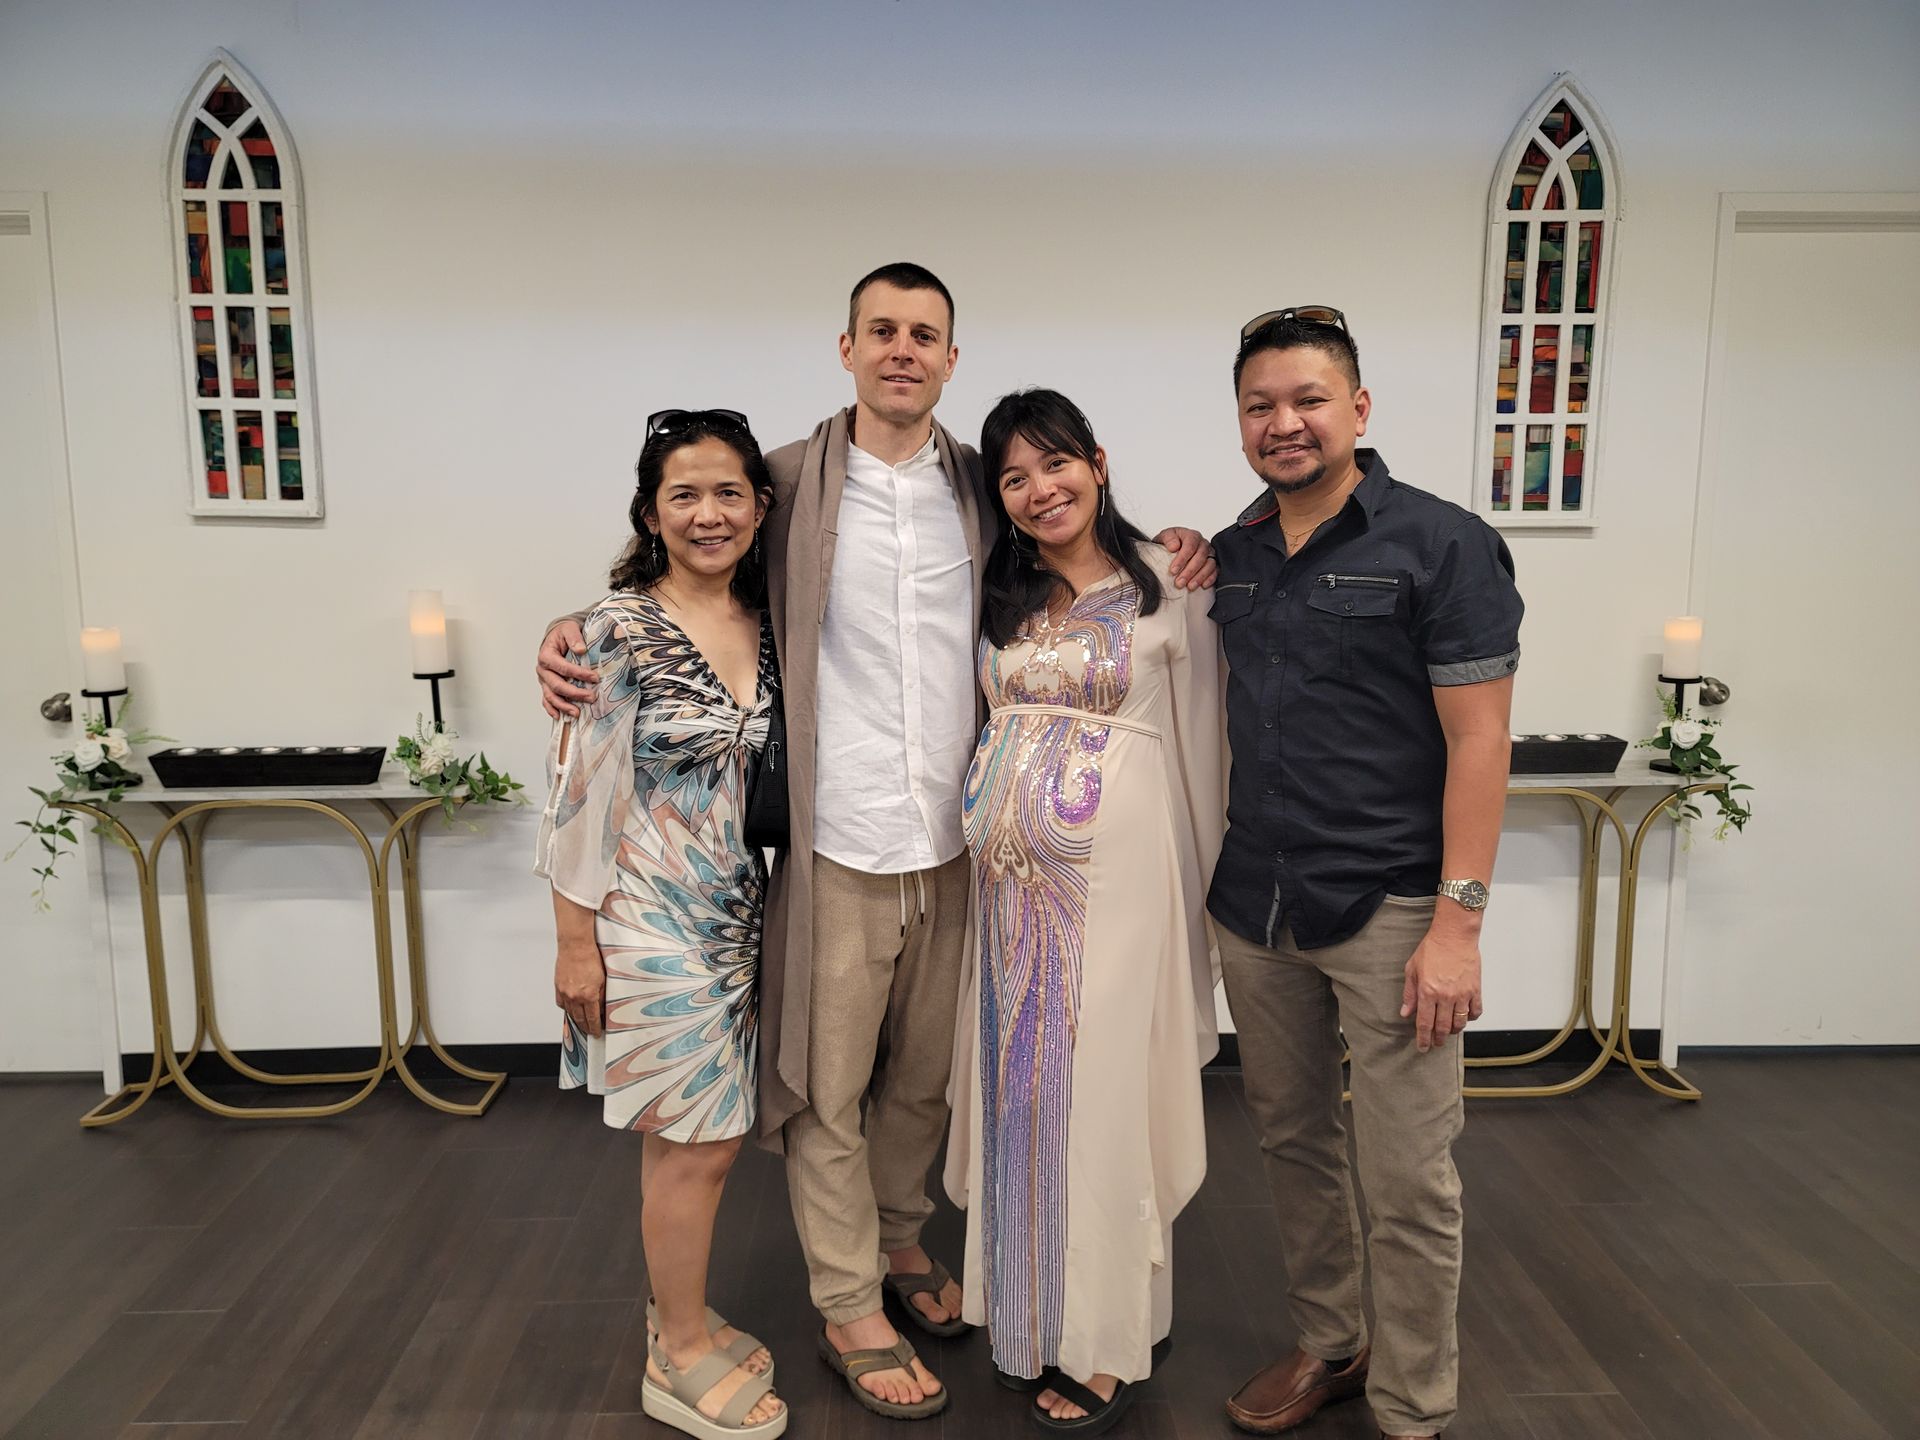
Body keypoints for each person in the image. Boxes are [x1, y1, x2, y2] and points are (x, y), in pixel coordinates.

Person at [537, 264, 1216, 1421]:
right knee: (830, 1089)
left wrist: (1183, 544)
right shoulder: (787, 486)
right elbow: (680, 574)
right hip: (836, 841)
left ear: (954, 358)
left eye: (927, 335)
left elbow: (1083, 565)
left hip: (965, 845)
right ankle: (849, 1300)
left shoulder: (983, 489)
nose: (904, 350)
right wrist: (573, 631)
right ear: (845, 347)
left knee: (930, 1080)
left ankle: (904, 1245)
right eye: (883, 331)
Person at [1207, 309, 1522, 1440]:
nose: (1283, 423)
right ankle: (1332, 1344)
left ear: (1358, 410)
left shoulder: (1442, 545)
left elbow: (1481, 743)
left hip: (1392, 909)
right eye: (1260, 406)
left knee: (1409, 1178)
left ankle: (1414, 1405)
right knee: (1292, 1146)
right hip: (1257, 904)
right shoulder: (1234, 555)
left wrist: (1460, 927)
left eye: (1307, 401)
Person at [942, 389, 1224, 1436]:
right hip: (1010, 904)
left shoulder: (1171, 587)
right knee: (1023, 1097)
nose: (1038, 488)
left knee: (1097, 1101)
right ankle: (1025, 1319)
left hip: (1119, 894)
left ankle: (1104, 1341)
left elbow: (1199, 746)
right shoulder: (997, 601)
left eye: (1054, 463)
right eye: (1013, 476)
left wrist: (1191, 899)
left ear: (1097, 462)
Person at [534, 408, 787, 1440]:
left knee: (710, 1140)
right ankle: (673, 1353)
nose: (708, 512)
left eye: (728, 490)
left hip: (738, 914)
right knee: (693, 1143)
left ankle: (677, 1316)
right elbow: (577, 795)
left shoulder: (771, 621)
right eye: (684, 493)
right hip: (649, 919)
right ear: (651, 512)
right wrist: (573, 942)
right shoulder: (612, 628)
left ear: (761, 507)